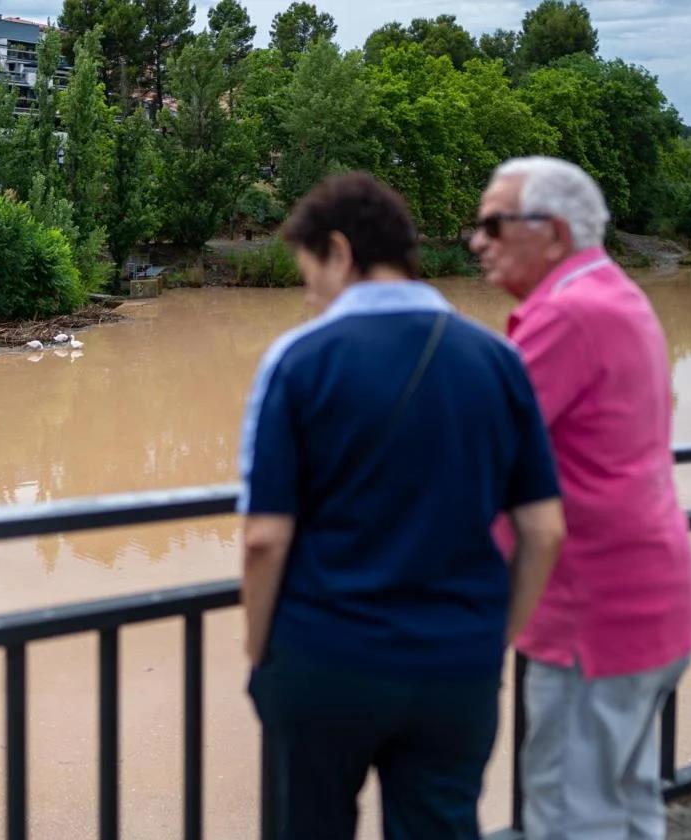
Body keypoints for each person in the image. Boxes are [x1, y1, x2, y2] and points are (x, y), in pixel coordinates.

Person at [239, 171, 566, 840]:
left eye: (311, 274)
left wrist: (259, 651)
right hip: (456, 666)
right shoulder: (499, 359)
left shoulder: (299, 360)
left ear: (339, 251)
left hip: (324, 659)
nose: (311, 294)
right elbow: (543, 529)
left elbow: (265, 537)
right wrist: (492, 636)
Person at [470, 156, 691, 840]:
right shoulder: (616, 295)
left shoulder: (567, 314)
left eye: (493, 224)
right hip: (650, 605)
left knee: (573, 819)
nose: (478, 241)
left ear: (553, 232)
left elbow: (480, 453)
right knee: (628, 808)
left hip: (593, 622)